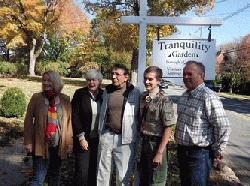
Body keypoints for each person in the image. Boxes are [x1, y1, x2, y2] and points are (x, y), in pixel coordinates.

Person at [175, 61, 231, 186]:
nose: (185, 77)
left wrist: (217, 150)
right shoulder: (184, 96)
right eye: (184, 74)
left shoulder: (208, 96)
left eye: (190, 74)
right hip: (182, 151)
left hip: (199, 155)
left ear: (202, 75)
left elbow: (223, 125)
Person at [24, 71, 73, 186]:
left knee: (55, 174)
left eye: (49, 80)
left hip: (59, 144)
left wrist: (69, 143)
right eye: (44, 80)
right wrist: (28, 141)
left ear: (56, 82)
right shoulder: (37, 98)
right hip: (41, 143)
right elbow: (28, 120)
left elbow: (69, 123)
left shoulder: (65, 99)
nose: (45, 83)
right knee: (38, 178)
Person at [96, 63, 140, 186]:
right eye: (112, 74)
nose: (114, 77)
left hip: (125, 139)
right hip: (107, 135)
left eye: (117, 74)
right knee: (102, 172)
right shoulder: (107, 91)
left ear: (126, 77)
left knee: (122, 175)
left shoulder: (135, 93)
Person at [138, 66, 175, 186]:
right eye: (145, 78)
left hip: (157, 144)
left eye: (150, 79)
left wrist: (159, 153)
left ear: (158, 81)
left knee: (157, 180)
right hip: (144, 143)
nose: (147, 82)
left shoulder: (164, 100)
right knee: (144, 177)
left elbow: (168, 128)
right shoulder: (143, 97)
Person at [71, 69, 103, 186]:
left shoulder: (104, 95)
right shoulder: (80, 94)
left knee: (95, 170)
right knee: (82, 171)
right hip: (83, 138)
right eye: (88, 80)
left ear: (99, 81)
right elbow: (74, 116)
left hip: (99, 140)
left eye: (94, 80)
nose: (91, 83)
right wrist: (81, 137)